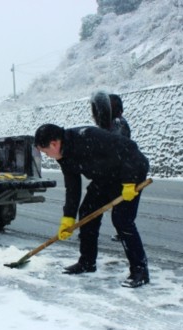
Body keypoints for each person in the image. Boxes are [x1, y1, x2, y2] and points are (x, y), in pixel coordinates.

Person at [34, 123, 150, 288]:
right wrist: (68, 218)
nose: (47, 155)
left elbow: (129, 148)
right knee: (87, 212)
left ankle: (140, 270)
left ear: (54, 144)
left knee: (122, 219)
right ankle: (87, 262)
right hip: (105, 177)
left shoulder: (88, 136)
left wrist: (129, 181)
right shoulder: (64, 156)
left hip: (131, 171)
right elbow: (72, 188)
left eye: (46, 152)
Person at [90, 90, 133, 242]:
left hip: (122, 173)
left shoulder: (118, 125)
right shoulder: (113, 124)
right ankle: (122, 231)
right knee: (118, 210)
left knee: (121, 212)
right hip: (117, 173)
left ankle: (125, 233)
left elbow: (118, 152)